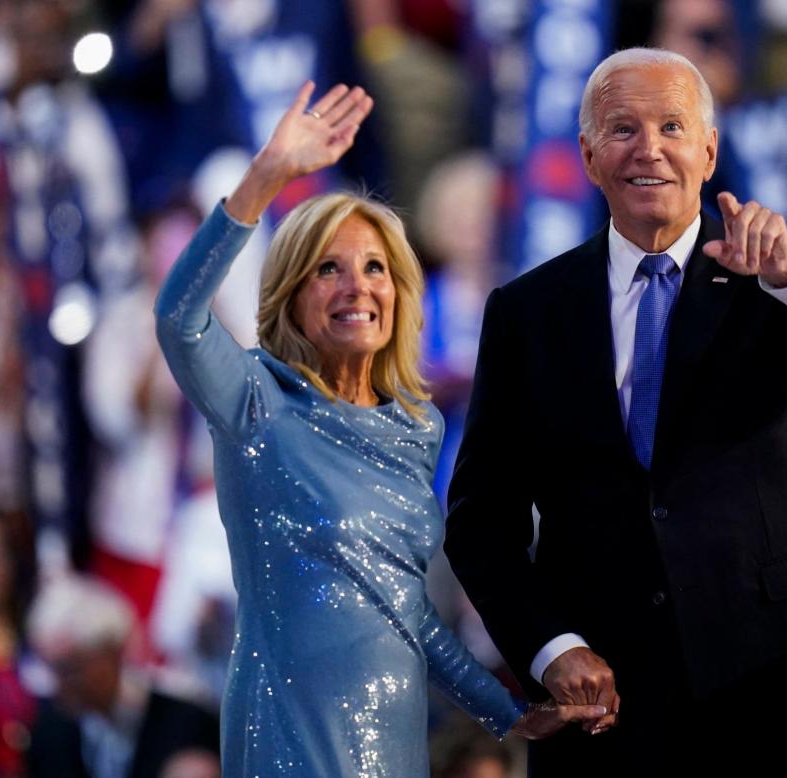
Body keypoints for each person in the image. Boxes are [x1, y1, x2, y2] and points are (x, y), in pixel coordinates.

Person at [444, 47, 787, 775]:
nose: (650, 149)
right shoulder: (527, 312)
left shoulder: (777, 275)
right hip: (603, 700)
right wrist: (551, 647)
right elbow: (481, 521)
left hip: (764, 674)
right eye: (623, 129)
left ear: (709, 149)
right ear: (588, 155)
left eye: (672, 126)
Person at [154, 81, 604, 776]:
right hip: (289, 739)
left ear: (398, 292)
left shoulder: (414, 429)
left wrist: (507, 711)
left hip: (396, 744)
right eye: (327, 270)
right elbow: (179, 319)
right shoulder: (256, 404)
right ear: (292, 298)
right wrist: (266, 178)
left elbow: (411, 613)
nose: (356, 286)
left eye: (374, 268)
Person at [25, 575, 220, 778]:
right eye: (49, 668)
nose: (57, 684)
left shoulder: (188, 725)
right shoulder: (50, 729)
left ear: (111, 655)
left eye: (68, 669)